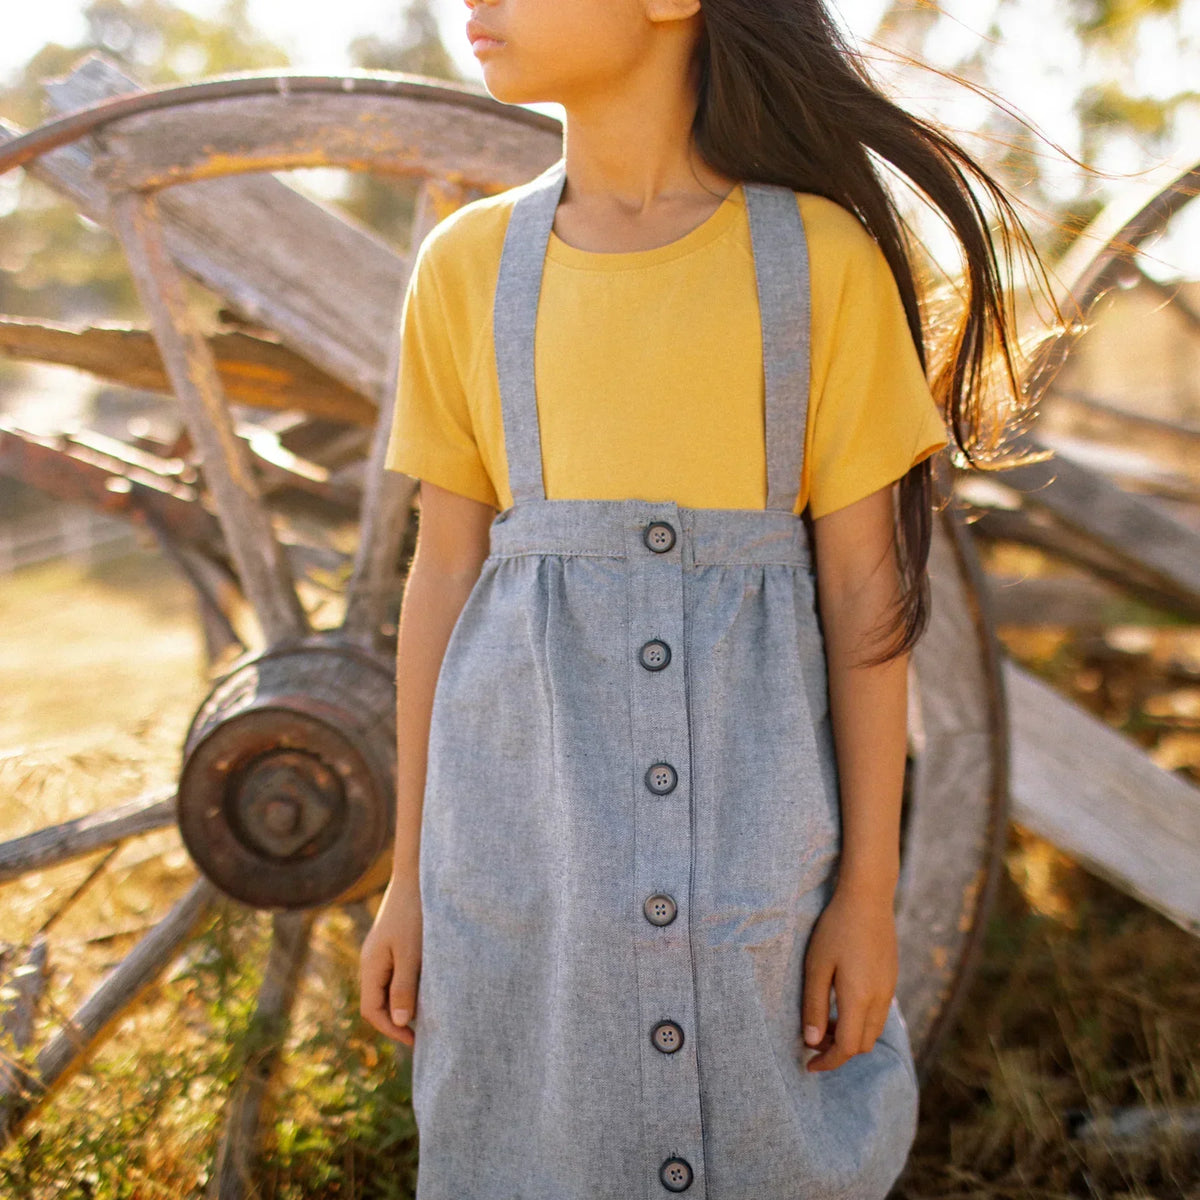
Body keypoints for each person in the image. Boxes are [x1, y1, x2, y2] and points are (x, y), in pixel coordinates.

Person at [360, 0, 1056, 1196]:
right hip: (522, 849)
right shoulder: (467, 268)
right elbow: (441, 582)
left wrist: (869, 895)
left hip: (759, 850)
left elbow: (863, 593)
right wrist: (408, 876)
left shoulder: (819, 264)